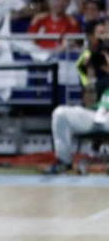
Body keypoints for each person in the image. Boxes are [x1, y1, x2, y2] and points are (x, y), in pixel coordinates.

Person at [46, 19, 109, 174]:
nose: (104, 37)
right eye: (101, 33)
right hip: (97, 113)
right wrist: (93, 68)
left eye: (106, 33)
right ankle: (64, 161)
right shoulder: (88, 61)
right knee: (60, 114)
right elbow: (89, 98)